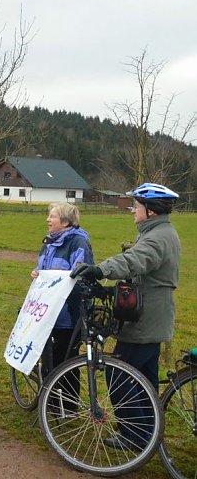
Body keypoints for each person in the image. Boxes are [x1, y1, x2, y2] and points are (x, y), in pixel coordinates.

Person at [72, 182, 180, 451]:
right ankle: (149, 432)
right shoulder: (159, 232)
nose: (133, 210)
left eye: (137, 205)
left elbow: (134, 260)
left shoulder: (157, 238)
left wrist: (99, 270)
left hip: (145, 320)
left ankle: (136, 436)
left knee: (119, 374)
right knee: (144, 379)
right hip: (152, 316)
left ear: (151, 210)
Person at [32, 203, 93, 375]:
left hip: (68, 315)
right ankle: (49, 392)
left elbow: (81, 278)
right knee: (49, 360)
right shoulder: (48, 242)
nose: (48, 220)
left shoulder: (78, 243)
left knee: (66, 363)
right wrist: (37, 273)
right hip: (46, 313)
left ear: (65, 222)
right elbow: (45, 269)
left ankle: (66, 394)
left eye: (52, 216)